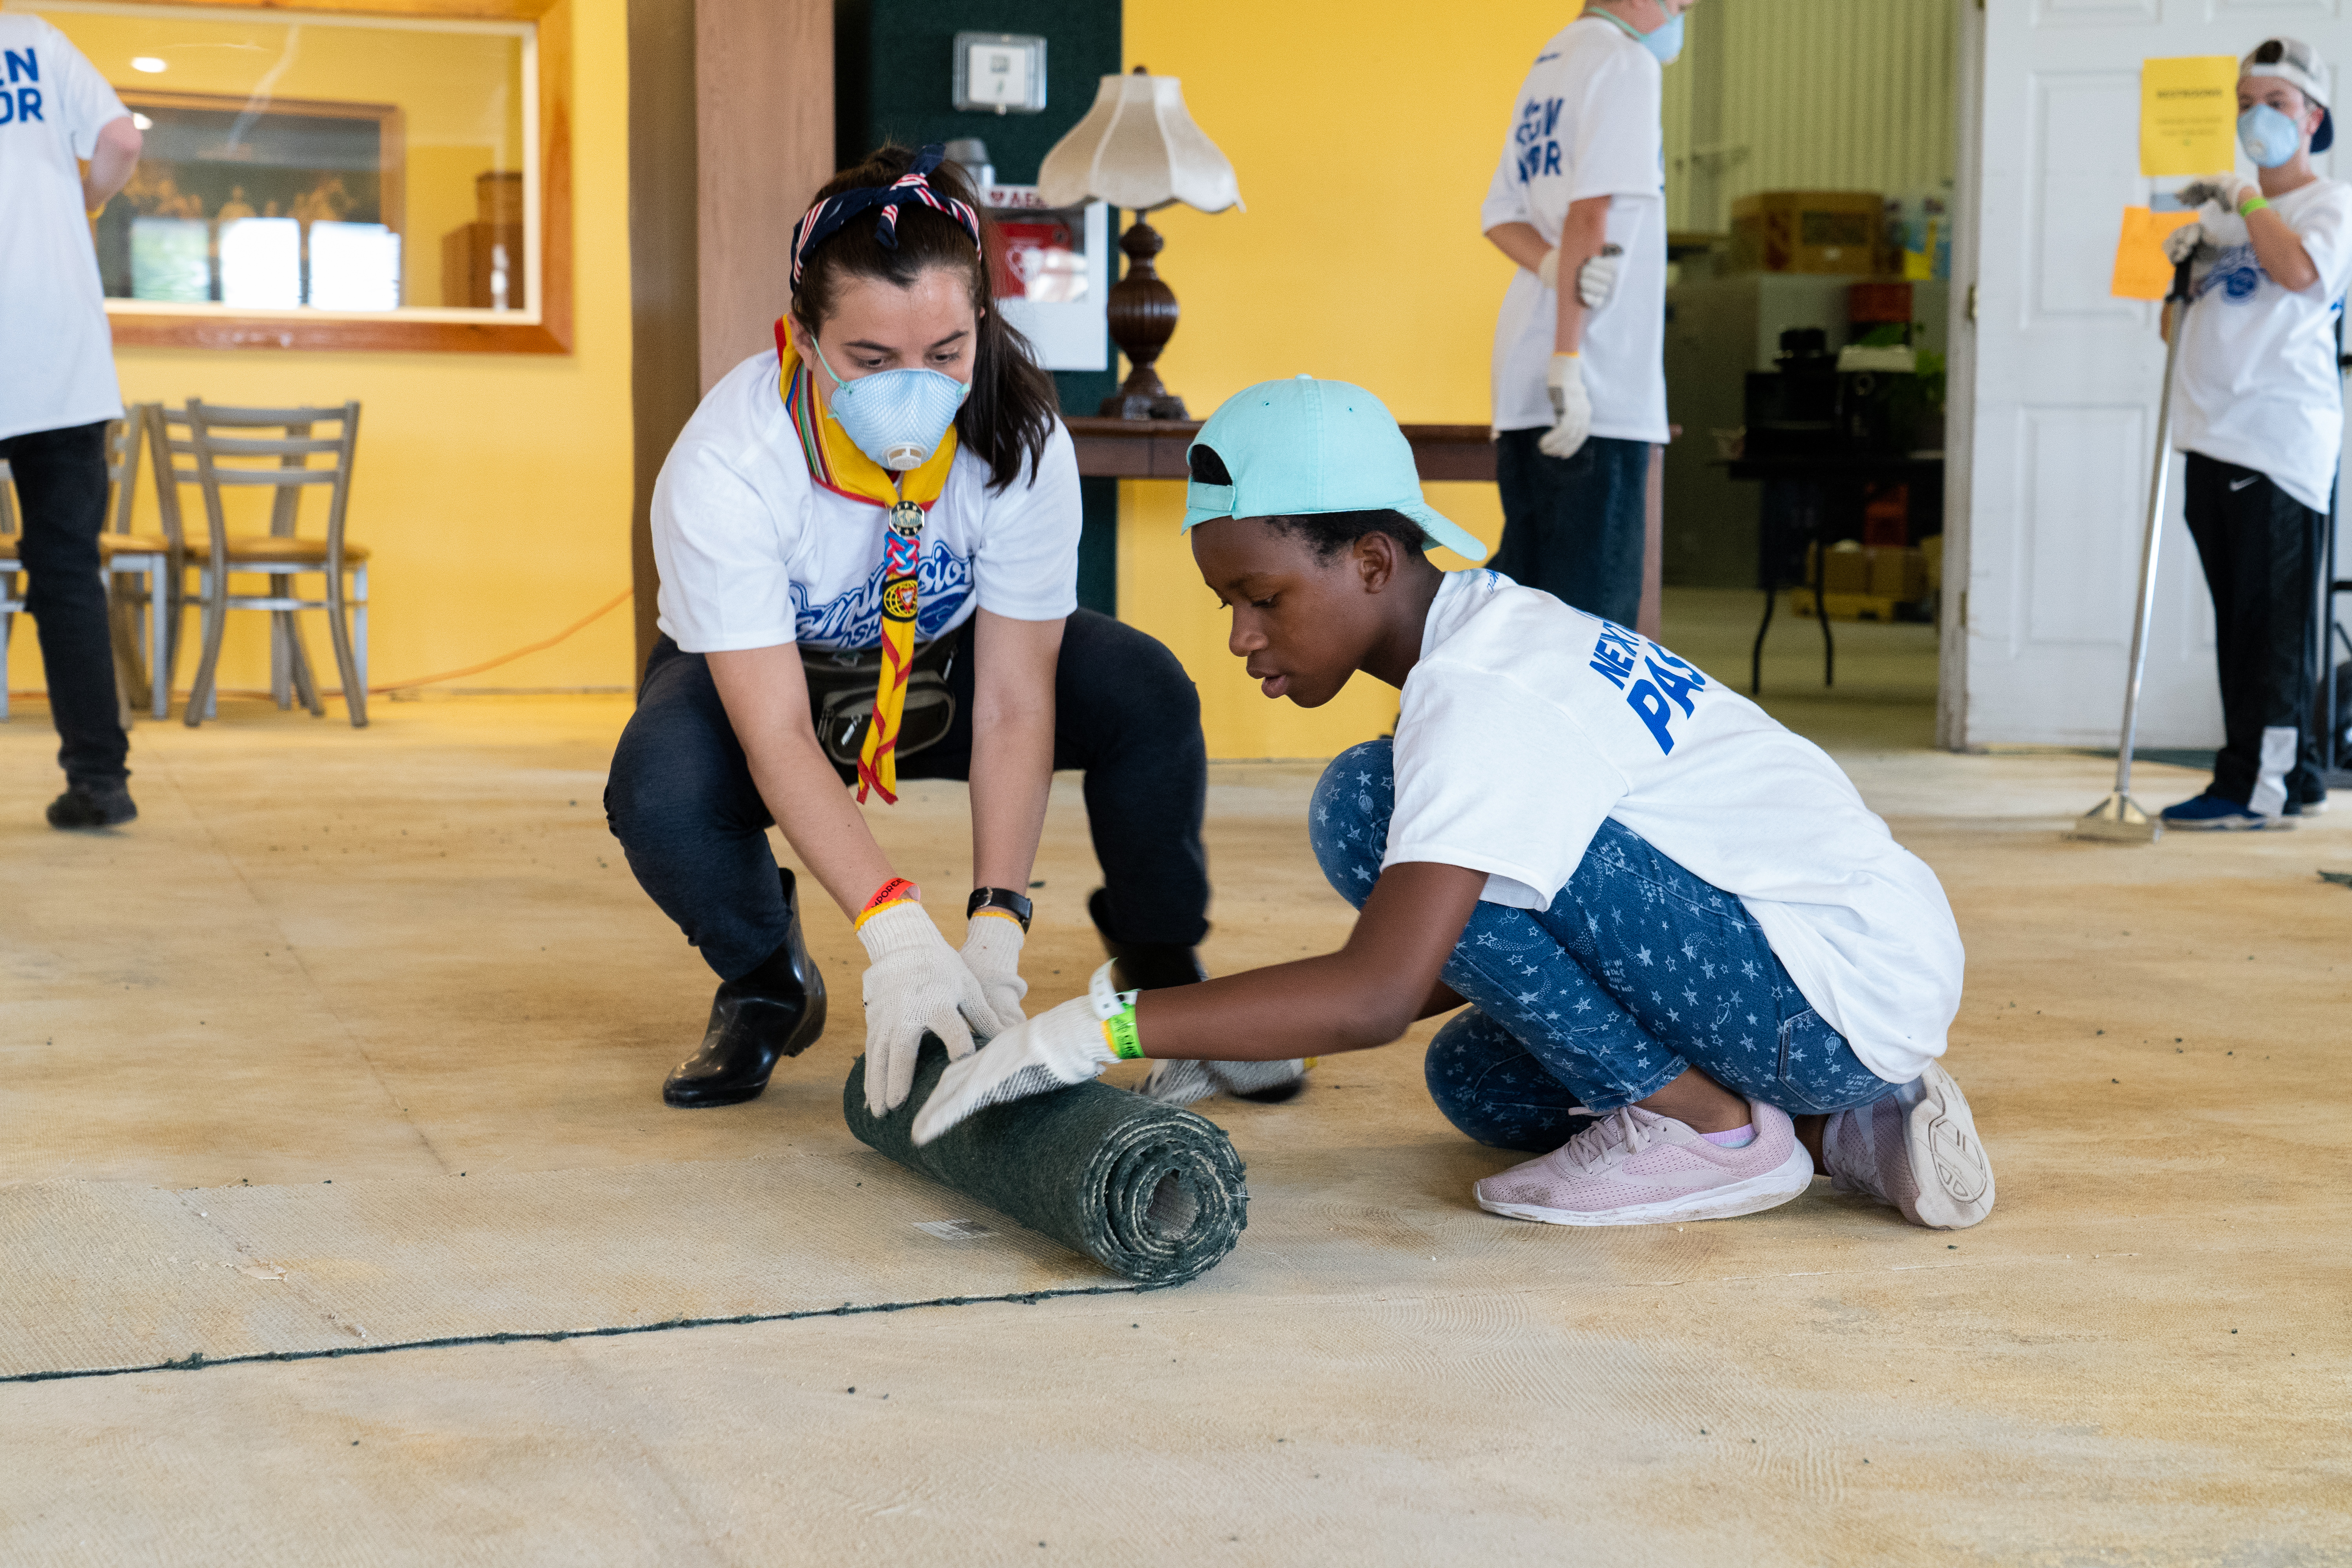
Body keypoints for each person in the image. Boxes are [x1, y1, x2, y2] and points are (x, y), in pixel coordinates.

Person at [913, 377, 1996, 1234]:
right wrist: (1263, 1033)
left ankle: (1712, 1133)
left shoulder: (1482, 696)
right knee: (1475, 1082)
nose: (1242, 635)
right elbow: (1480, 940)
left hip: (1820, 988)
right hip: (1817, 980)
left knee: (1364, 806)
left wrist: (1098, 1028)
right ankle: (1845, 1125)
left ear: (1371, 561)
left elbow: (1377, 991)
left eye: (1264, 597)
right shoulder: (1491, 634)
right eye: (1227, 602)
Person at [604, 145, 1305, 1115]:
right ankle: (767, 978)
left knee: (1141, 687)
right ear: (804, 338)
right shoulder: (727, 462)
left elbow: (1017, 701)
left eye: (945, 353)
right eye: (871, 360)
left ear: (982, 322)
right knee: (659, 786)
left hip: (951, 663)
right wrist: (896, 932)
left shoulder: (1020, 436)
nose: (915, 387)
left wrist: (994, 929)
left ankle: (1163, 967)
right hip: (778, 682)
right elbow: (776, 731)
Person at [2156, 37, 2352, 831]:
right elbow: (2173, 333)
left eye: (2276, 103)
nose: (2257, 117)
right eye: (2245, 104)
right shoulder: (2219, 219)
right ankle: (2291, 773)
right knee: (2240, 622)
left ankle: (2253, 787)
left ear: (2312, 119)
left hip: (2276, 441)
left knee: (2269, 628)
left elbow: (2303, 275)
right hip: (2208, 437)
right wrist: (2175, 267)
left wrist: (2244, 200)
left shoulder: (2328, 204)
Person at [1477, 0, 1688, 628]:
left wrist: (1551, 268)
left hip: (1524, 384)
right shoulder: (1626, 63)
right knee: (1591, 633)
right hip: (1594, 387)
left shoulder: (1551, 62)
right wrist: (1568, 362)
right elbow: (1590, 214)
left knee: (1527, 619)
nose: (1683, 12)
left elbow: (1502, 218)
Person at [0, 12, 142, 828]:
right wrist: (80, 202)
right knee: (65, 571)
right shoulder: (35, 41)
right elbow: (120, 140)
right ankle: (99, 780)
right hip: (58, 350)